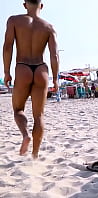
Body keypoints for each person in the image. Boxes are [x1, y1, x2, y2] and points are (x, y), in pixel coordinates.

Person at [2, 0, 59, 158]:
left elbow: (8, 46)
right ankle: (35, 154)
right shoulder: (48, 27)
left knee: (18, 110)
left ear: (24, 4)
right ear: (41, 5)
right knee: (39, 116)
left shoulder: (14, 20)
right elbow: (54, 55)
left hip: (22, 67)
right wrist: (55, 79)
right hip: (41, 68)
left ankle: (26, 135)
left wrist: (6, 71)